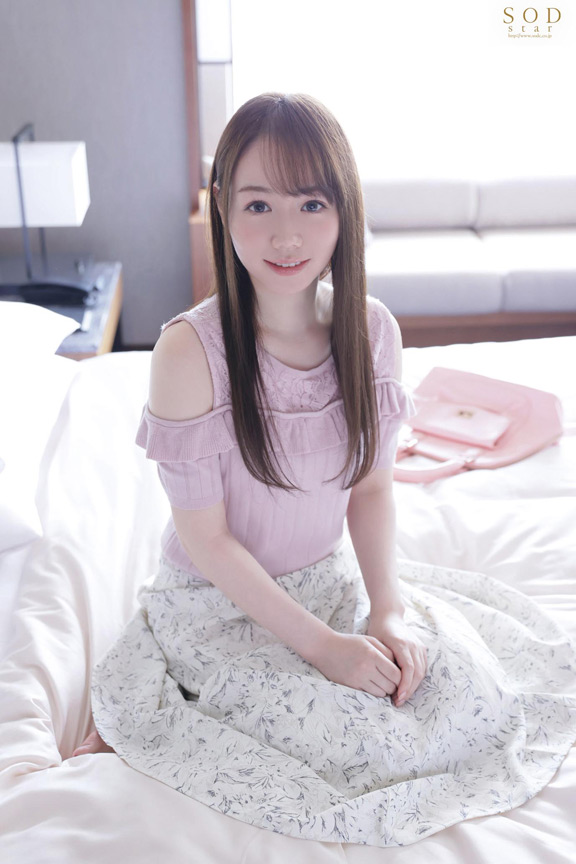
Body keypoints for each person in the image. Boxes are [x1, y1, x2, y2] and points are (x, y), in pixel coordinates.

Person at [73, 91, 425, 757]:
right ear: (222, 207)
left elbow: (373, 489)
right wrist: (324, 650)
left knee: (441, 697)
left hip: (328, 589)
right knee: (341, 743)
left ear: (345, 210)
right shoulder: (189, 352)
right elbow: (207, 541)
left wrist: (388, 610)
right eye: (259, 205)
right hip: (217, 605)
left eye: (311, 204)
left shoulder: (373, 331)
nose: (286, 236)